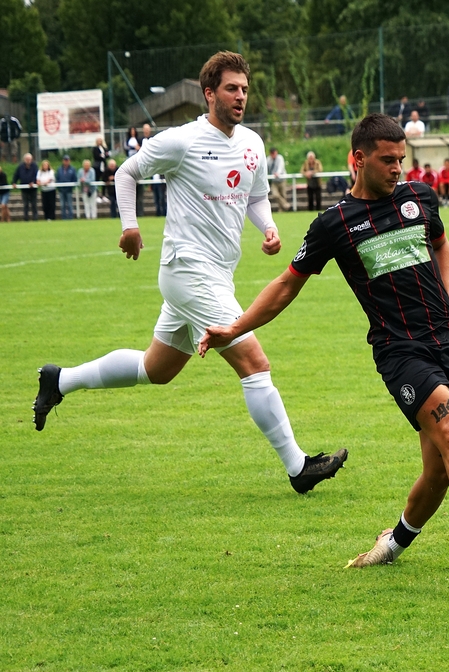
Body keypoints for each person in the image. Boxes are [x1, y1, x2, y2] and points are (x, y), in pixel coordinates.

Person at [199, 113, 449, 574]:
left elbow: (441, 244)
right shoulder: (334, 224)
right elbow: (286, 285)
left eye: (401, 159)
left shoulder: (419, 197)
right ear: (359, 159)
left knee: (439, 469)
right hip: (400, 351)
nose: (397, 168)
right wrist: (234, 328)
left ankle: (390, 546)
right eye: (387, 160)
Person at [31, 52, 348, 491]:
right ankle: (299, 468)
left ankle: (60, 380)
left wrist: (269, 227)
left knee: (156, 369)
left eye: (245, 89)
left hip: (217, 274)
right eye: (232, 89)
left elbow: (255, 196)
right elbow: (126, 174)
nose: (241, 96)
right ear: (209, 93)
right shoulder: (181, 141)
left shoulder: (252, 144)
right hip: (187, 270)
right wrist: (129, 227)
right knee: (254, 363)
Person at [13, 153, 39, 221]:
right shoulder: (20, 166)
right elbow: (16, 175)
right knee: (25, 204)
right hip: (24, 188)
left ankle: (35, 218)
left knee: (34, 204)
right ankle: (26, 218)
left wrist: (33, 182)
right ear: (24, 159)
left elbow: (36, 175)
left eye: (29, 159)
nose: (28, 161)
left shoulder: (34, 166)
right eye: (27, 159)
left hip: (33, 189)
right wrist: (14, 182)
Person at [267, 147, 291, 212]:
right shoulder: (268, 159)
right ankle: (286, 205)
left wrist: (278, 173)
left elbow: (281, 166)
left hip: (282, 179)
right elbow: (266, 168)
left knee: (283, 195)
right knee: (275, 195)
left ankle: (281, 210)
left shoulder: (280, 158)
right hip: (274, 181)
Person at [56, 155, 77, 220]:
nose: (66, 161)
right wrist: (59, 187)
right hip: (61, 190)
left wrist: (71, 186)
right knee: (62, 205)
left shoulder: (72, 169)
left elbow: (74, 179)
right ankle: (64, 217)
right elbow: (57, 178)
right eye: (65, 160)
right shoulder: (59, 169)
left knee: (70, 204)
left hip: (69, 190)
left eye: (67, 160)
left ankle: (70, 217)